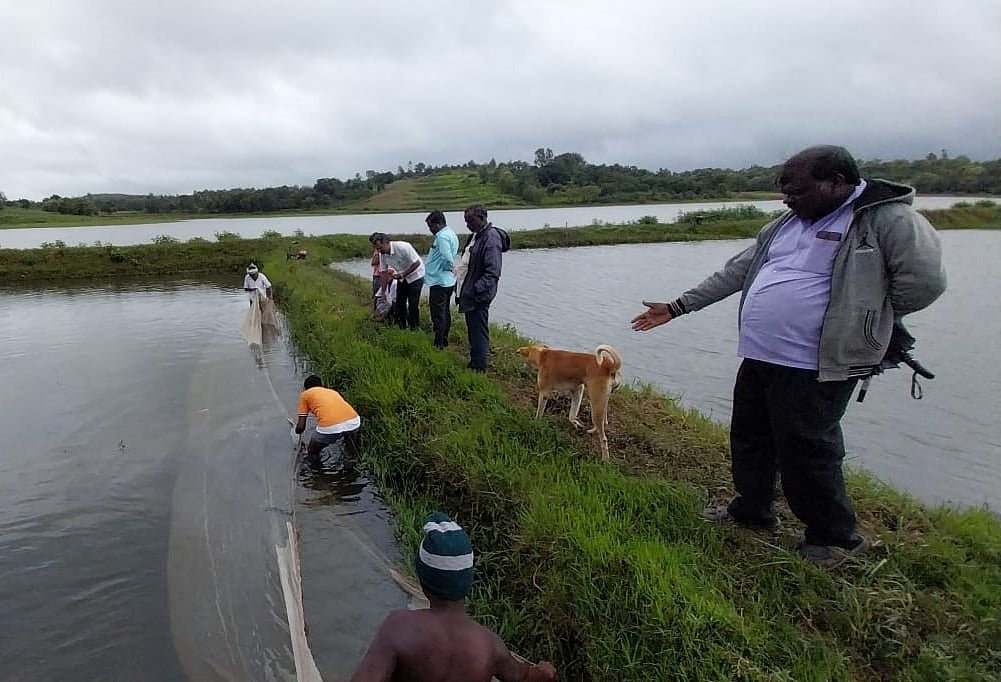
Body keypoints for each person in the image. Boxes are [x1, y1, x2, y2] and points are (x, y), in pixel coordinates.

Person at [630, 145, 946, 569]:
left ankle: (834, 537)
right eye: (784, 191)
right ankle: (753, 509)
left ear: (836, 183)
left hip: (817, 363)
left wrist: (869, 321)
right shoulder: (786, 223)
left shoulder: (888, 220)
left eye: (795, 190)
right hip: (762, 354)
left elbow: (924, 283)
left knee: (809, 449)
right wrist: (678, 306)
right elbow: (738, 271)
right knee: (750, 435)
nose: (786, 198)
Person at [349, 512, 557, 682]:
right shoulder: (488, 644)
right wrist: (542, 672)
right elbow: (521, 677)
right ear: (468, 582)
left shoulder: (399, 627)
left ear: (422, 580)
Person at [456, 204, 503, 372]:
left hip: (478, 295)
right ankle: (475, 361)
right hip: (469, 292)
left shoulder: (490, 238)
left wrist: (476, 289)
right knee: (473, 329)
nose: (468, 225)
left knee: (478, 331)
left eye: (471, 220)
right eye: (466, 221)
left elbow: (493, 272)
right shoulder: (476, 235)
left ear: (482, 218)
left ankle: (480, 367)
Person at [294, 374, 361, 465]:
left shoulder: (305, 395)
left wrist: (296, 431)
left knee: (312, 451)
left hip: (330, 428)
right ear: (322, 385)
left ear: (306, 388)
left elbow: (301, 426)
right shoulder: (332, 392)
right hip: (353, 421)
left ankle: (318, 475)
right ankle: (352, 466)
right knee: (349, 445)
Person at [370, 232, 426, 330]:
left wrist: (403, 274)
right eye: (377, 249)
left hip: (416, 275)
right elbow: (383, 273)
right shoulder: (382, 255)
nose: (379, 251)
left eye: (380, 248)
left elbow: (416, 263)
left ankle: (415, 328)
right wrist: (383, 291)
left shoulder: (403, 247)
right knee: (400, 302)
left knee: (413, 303)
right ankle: (402, 327)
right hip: (402, 277)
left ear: (386, 243)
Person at [424, 210, 460, 348]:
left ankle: (439, 342)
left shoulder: (442, 237)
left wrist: (447, 267)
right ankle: (444, 339)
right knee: (445, 311)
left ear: (438, 224)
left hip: (440, 281)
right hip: (447, 281)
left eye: (431, 226)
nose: (430, 230)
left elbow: (447, 258)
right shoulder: (450, 233)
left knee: (438, 313)